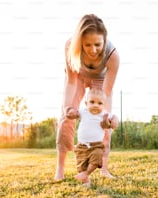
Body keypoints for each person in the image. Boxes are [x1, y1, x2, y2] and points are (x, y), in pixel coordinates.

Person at [55, 13, 120, 180]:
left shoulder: (112, 55)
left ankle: (104, 168)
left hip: (101, 80)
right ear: (79, 42)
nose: (93, 50)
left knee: (103, 119)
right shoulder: (70, 46)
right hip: (78, 76)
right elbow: (71, 82)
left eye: (97, 44)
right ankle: (60, 169)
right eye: (87, 45)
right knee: (65, 118)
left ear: (104, 41)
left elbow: (106, 93)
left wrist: (106, 116)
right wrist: (67, 108)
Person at [66, 88, 119, 186]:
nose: (96, 105)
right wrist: (70, 113)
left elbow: (114, 117)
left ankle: (87, 173)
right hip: (82, 146)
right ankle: (86, 180)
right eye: (92, 102)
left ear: (103, 105)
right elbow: (72, 113)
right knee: (81, 165)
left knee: (97, 158)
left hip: (96, 145)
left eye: (99, 103)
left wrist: (115, 121)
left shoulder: (104, 114)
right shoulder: (83, 111)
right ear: (86, 103)